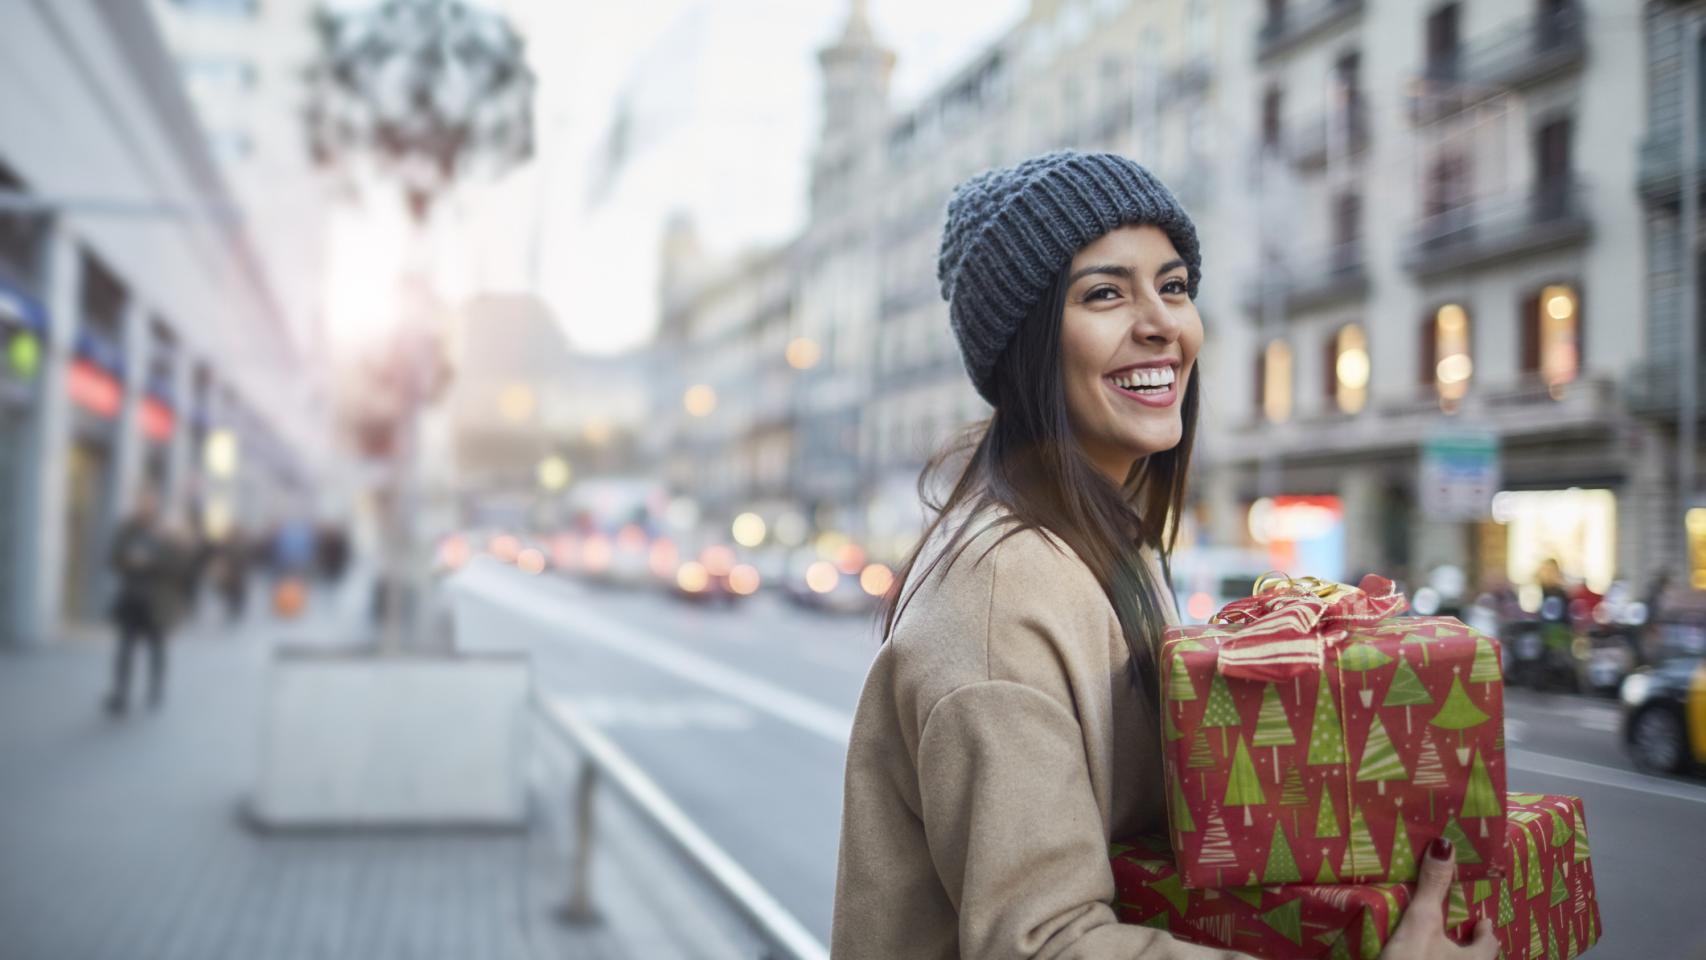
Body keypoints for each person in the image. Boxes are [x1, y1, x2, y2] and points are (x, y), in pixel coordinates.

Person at [830, 152, 1496, 959]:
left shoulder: (1111, 545)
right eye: (1105, 293)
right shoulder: (1006, 595)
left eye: (1174, 286)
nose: (1162, 324)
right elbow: (1043, 945)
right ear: (1026, 344)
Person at [103, 489, 180, 714]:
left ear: (155, 505)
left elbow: (177, 565)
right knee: (124, 648)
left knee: (157, 648)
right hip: (131, 598)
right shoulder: (127, 529)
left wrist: (151, 562)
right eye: (141, 501)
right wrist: (129, 561)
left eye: (149, 501)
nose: (145, 506)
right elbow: (112, 557)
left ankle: (155, 690)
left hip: (156, 601)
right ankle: (120, 694)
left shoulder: (166, 531)